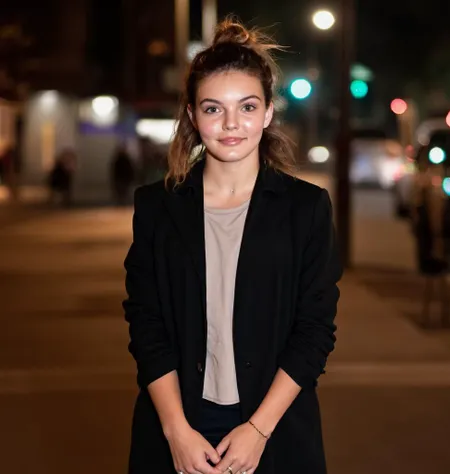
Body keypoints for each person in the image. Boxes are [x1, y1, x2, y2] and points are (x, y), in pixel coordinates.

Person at [123, 18, 342, 474]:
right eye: (212, 109)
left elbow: (314, 331)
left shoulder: (306, 209)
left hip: (274, 426)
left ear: (266, 113)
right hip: (180, 425)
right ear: (191, 115)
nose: (230, 125)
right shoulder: (157, 207)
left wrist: (258, 431)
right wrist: (176, 432)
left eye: (246, 107)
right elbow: (147, 326)